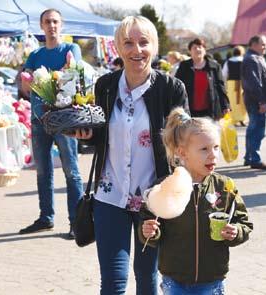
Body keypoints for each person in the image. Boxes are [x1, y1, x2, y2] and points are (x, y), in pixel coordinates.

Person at [76, 16, 188, 294]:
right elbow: (102, 133)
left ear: (154, 46)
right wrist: (86, 135)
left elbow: (183, 142)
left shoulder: (171, 89)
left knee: (146, 279)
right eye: (128, 43)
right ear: (117, 48)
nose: (136, 50)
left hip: (153, 199)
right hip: (109, 196)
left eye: (143, 42)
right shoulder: (105, 85)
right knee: (112, 284)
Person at [139, 107, 253, 295]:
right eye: (204, 149)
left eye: (216, 147)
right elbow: (150, 223)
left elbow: (244, 222)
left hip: (212, 279)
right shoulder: (165, 186)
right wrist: (149, 231)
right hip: (175, 279)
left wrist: (236, 232)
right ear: (182, 153)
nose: (213, 155)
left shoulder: (225, 187)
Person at [19, 9, 83, 238]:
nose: (51, 25)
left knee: (71, 171)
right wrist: (28, 80)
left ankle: (77, 222)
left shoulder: (70, 49)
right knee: (43, 171)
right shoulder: (35, 54)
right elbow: (25, 85)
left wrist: (50, 78)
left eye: (55, 21)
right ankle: (46, 218)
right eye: (47, 22)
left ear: (61, 25)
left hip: (64, 121)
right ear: (41, 26)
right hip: (38, 120)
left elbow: (73, 74)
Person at [241, 35, 266, 170]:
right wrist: (261, 101)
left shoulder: (255, 58)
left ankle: (249, 157)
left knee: (253, 129)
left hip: (256, 100)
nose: (265, 47)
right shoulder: (252, 60)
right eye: (263, 44)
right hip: (257, 101)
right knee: (257, 130)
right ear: (253, 44)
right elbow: (254, 83)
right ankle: (255, 159)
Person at [175, 37, 230, 120]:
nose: (197, 49)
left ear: (204, 50)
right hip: (189, 109)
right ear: (190, 51)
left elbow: (221, 86)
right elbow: (177, 86)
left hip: (210, 109)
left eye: (200, 47)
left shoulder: (214, 66)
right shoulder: (184, 66)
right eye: (194, 48)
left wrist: (225, 105)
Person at [222, 46, 247, 126]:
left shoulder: (228, 61)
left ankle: (234, 119)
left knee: (233, 102)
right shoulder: (244, 60)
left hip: (231, 83)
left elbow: (224, 74)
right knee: (242, 102)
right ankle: (243, 119)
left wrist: (224, 84)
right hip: (243, 83)